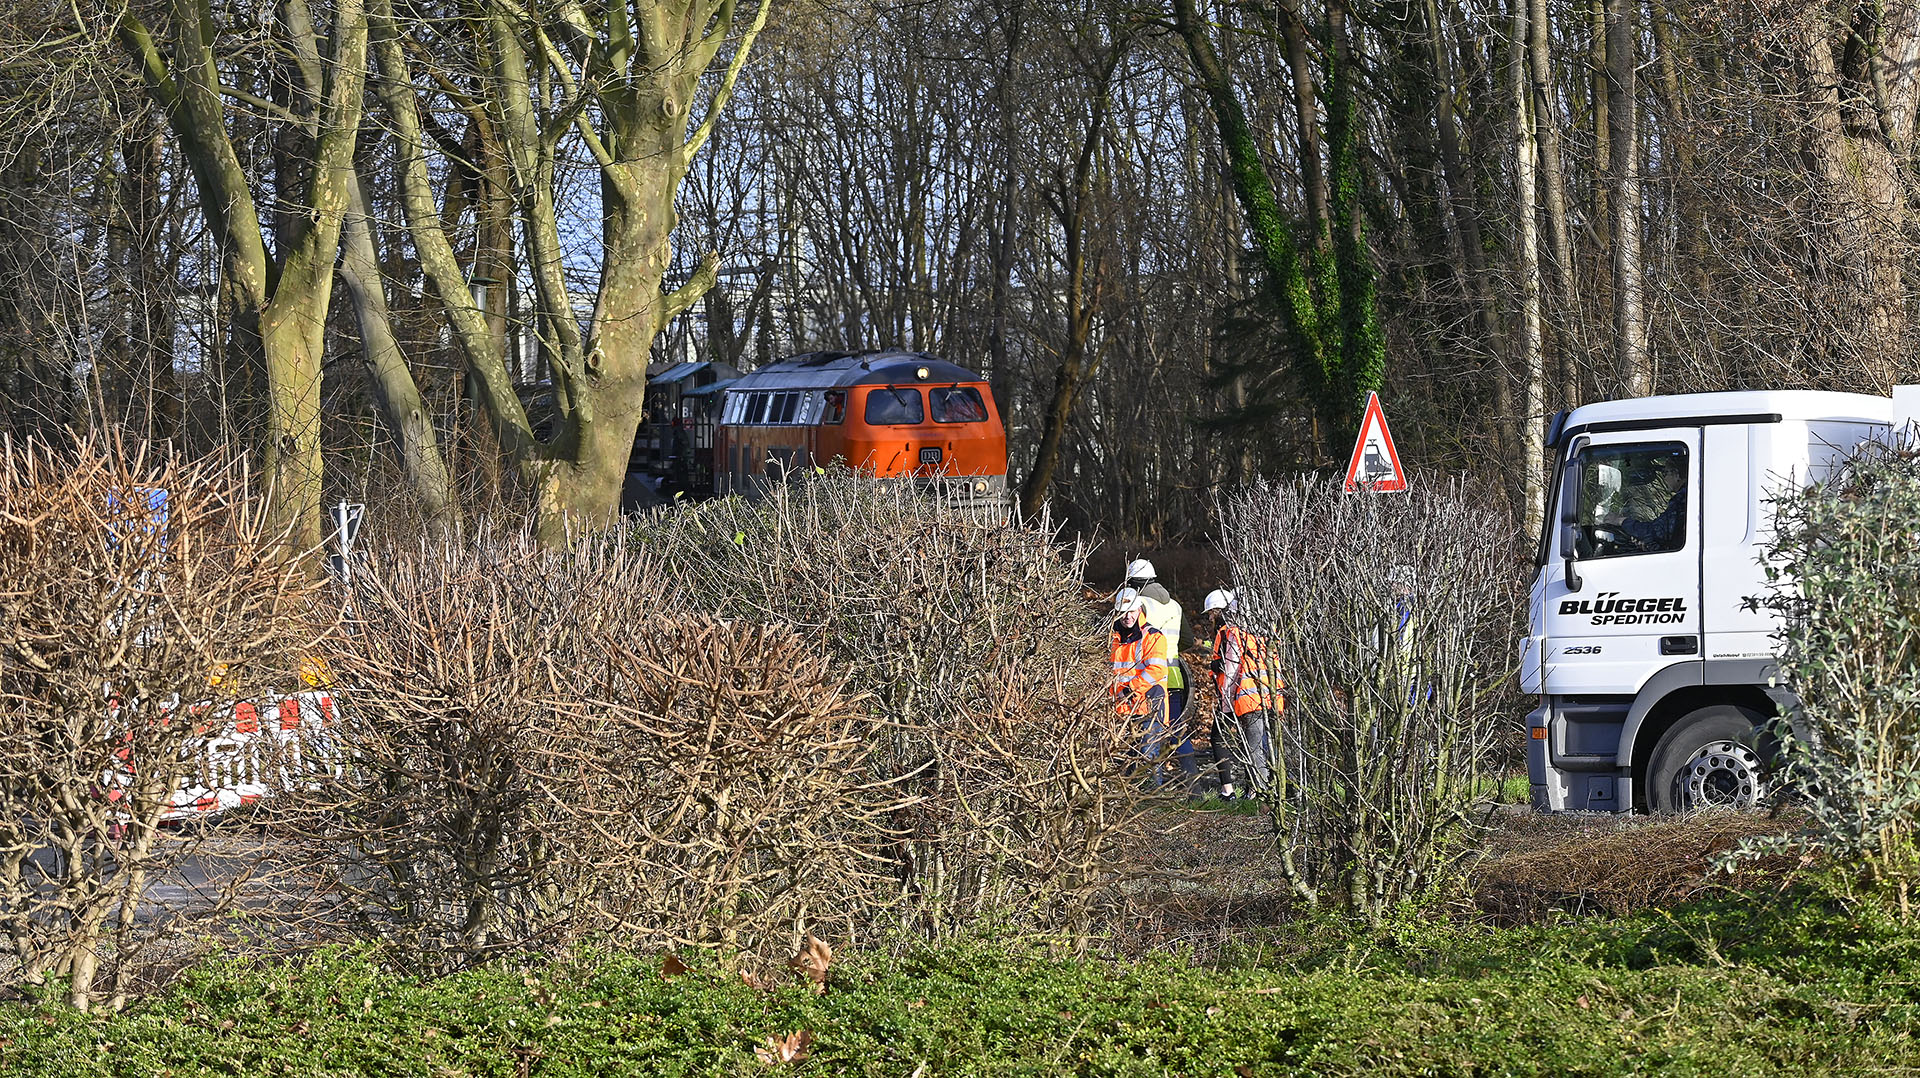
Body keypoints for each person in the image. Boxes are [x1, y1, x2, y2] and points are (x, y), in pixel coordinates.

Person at [1201, 589, 1277, 799]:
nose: (1210, 618)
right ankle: (1264, 789)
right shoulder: (1266, 630)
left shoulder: (1233, 633)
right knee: (1261, 742)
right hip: (1267, 696)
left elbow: (1232, 670)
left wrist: (1226, 703)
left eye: (1212, 613)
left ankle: (1254, 792)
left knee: (1245, 743)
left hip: (1242, 697)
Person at [1110, 588, 1175, 785]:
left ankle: (1152, 803)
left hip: (1148, 705)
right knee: (1129, 759)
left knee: (1148, 757)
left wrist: (1130, 688)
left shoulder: (1153, 636)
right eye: (1123, 612)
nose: (1127, 616)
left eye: (1131, 611)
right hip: (1124, 708)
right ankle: (1137, 803)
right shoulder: (1114, 639)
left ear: (1139, 609)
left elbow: (1157, 670)